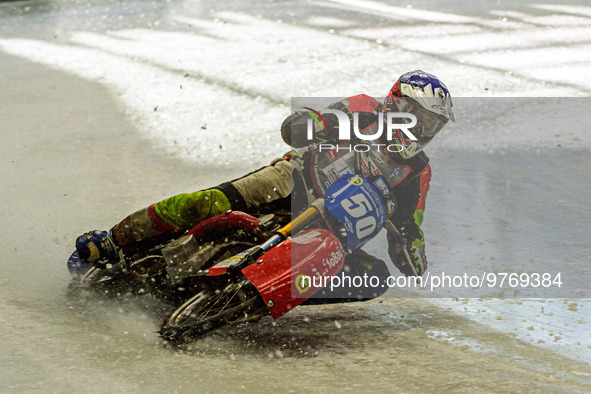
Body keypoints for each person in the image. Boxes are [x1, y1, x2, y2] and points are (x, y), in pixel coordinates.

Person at [70, 70, 454, 300]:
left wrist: (411, 247)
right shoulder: (364, 108)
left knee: (373, 277)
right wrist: (316, 124)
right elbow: (302, 124)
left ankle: (254, 297)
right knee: (209, 201)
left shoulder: (418, 172)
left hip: (333, 232)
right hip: (294, 180)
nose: (423, 131)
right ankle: (112, 240)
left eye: (431, 125)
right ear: (398, 105)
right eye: (419, 118)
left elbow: (411, 226)